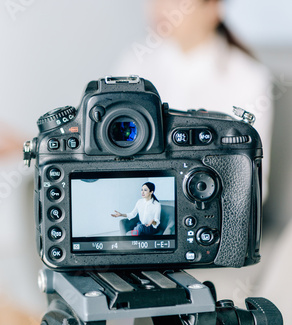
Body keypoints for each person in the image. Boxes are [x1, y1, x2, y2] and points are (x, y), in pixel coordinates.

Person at [114, 0, 273, 199]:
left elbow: (252, 185)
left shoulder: (249, 78)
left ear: (213, 8)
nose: (159, 7)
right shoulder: (134, 62)